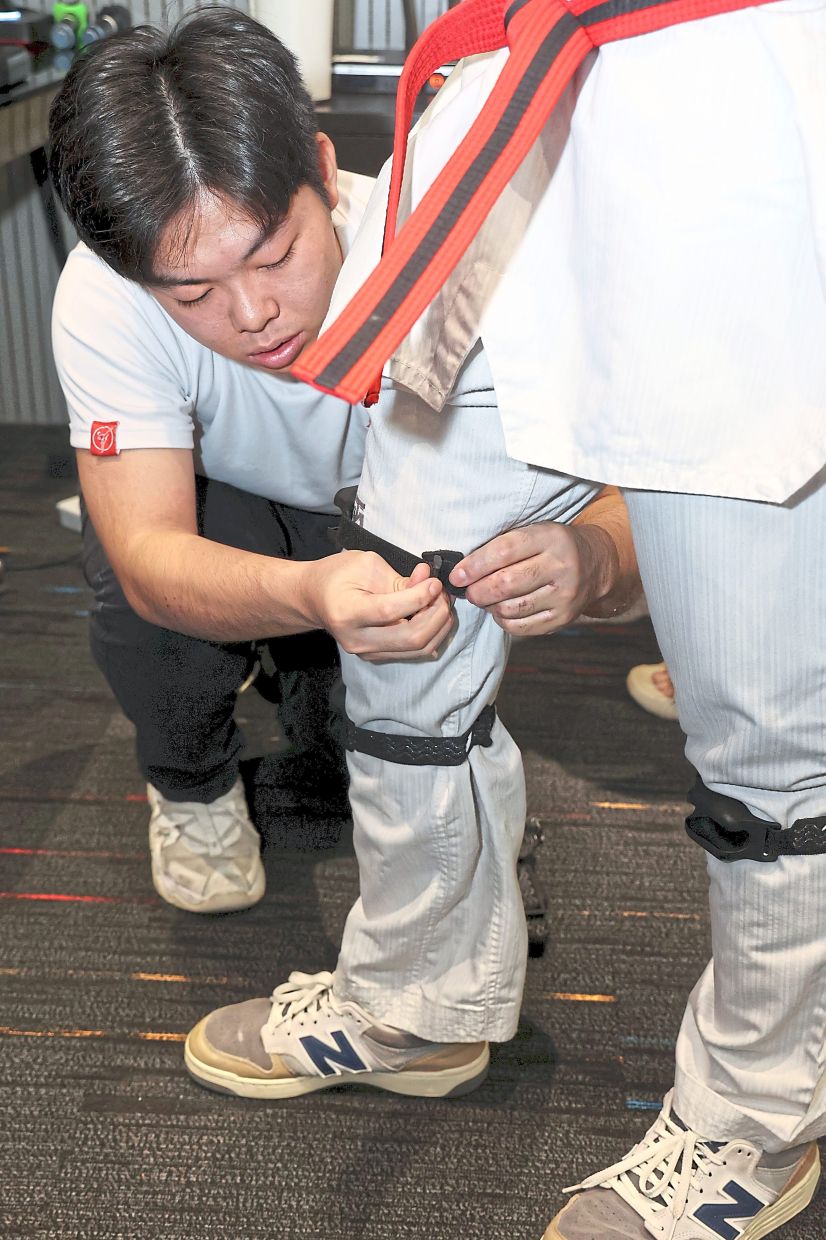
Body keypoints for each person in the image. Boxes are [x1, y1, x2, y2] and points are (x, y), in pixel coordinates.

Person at [275, 3, 826, 1236]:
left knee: (762, 737)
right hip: (499, 100)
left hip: (716, 107)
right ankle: (419, 994)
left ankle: (757, 1112)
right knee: (401, 619)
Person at [46, 0, 634, 990]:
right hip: (226, 515)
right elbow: (152, 553)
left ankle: (317, 696)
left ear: (323, 171)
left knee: (352, 759)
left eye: (273, 255)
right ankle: (188, 785)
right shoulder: (107, 296)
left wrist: (595, 558)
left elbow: (648, 497)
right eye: (190, 294)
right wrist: (309, 596)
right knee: (141, 606)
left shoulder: (455, 262)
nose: (251, 314)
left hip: (380, 526)